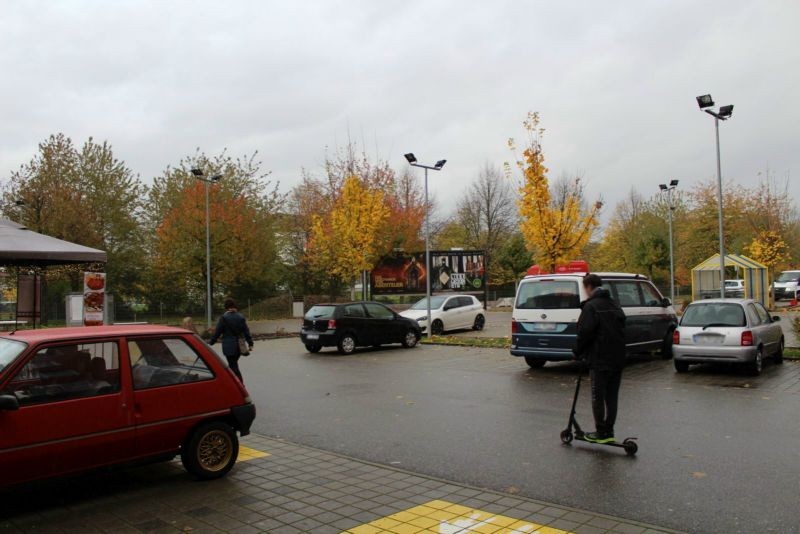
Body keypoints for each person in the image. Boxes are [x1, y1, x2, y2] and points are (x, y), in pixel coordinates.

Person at [573, 274, 626, 444]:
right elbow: (623, 325)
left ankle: (601, 432)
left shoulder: (591, 307)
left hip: (599, 358)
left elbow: (584, 333)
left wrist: (577, 351)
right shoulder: (614, 304)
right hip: (617, 358)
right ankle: (608, 430)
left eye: (584, 288)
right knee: (612, 397)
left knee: (597, 396)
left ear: (588, 287)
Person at [210, 298, 253, 383]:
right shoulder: (241, 317)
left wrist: (211, 342)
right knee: (233, 365)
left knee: (233, 366)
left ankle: (240, 385)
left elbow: (218, 332)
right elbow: (246, 331)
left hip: (228, 347)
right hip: (239, 346)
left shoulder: (224, 318)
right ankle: (233, 383)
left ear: (226, 307)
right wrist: (250, 343)